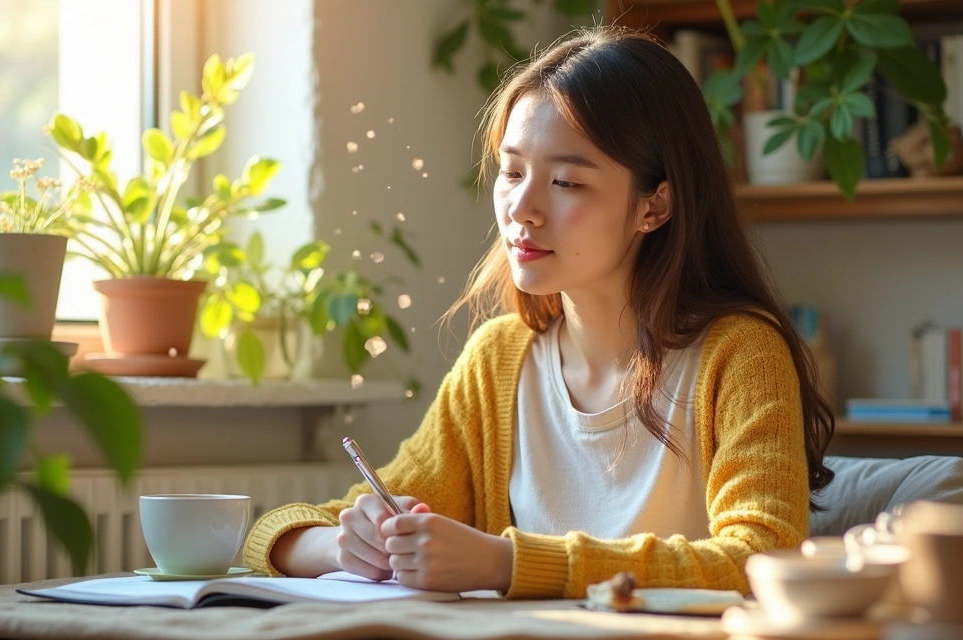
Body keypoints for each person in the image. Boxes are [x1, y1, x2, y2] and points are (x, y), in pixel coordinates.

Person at [242, 25, 834, 599]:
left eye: (567, 182)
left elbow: (762, 556)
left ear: (655, 205)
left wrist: (507, 563)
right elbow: (275, 536)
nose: (522, 209)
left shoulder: (740, 353)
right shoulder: (499, 361)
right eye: (512, 171)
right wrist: (344, 545)